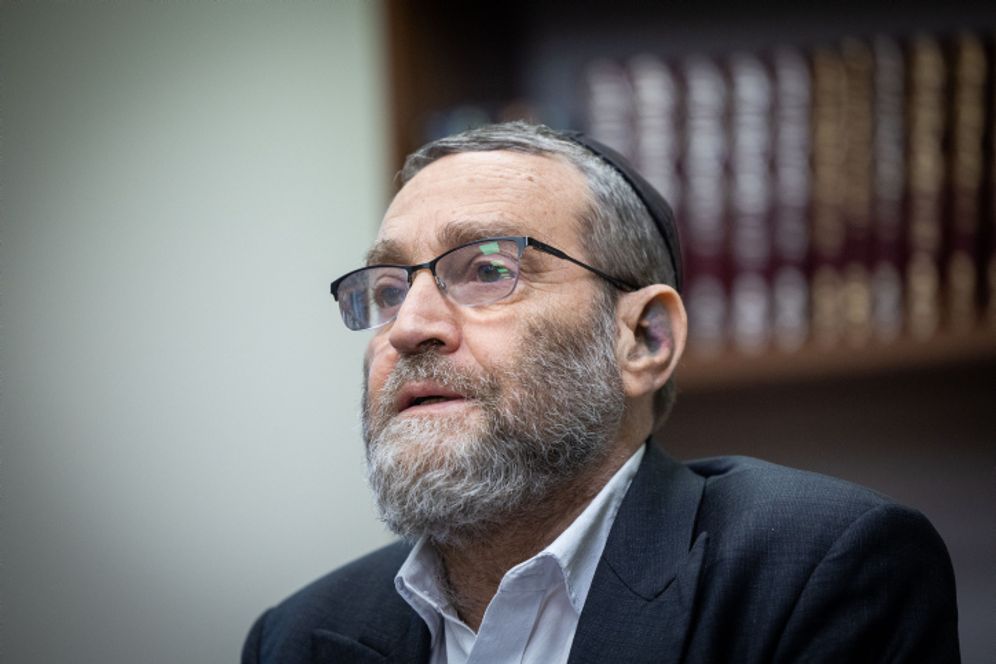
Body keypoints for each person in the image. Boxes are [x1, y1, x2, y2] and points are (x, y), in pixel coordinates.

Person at [242, 122, 959, 663]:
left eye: (489, 269)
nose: (410, 327)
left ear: (643, 339)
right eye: (389, 289)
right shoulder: (296, 638)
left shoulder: (816, 569)